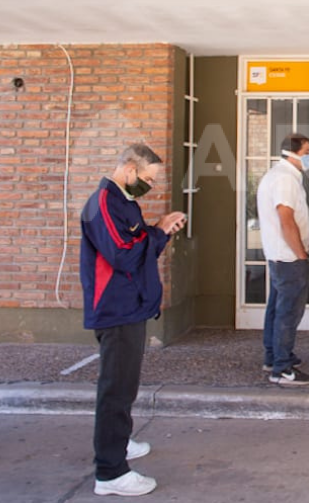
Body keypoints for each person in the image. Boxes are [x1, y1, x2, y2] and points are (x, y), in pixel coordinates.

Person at [80, 144, 186, 497]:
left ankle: (118, 443)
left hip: (130, 306)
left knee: (123, 386)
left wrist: (160, 230)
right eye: (147, 179)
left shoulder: (124, 203)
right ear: (128, 168)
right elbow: (124, 255)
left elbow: (138, 246)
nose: (150, 186)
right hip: (116, 309)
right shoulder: (103, 204)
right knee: (116, 389)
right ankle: (110, 472)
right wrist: (156, 231)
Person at [257, 133, 309, 386]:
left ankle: (275, 357)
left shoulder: (280, 176)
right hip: (289, 256)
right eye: (307, 151)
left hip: (279, 255)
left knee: (277, 307)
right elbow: (286, 218)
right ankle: (282, 368)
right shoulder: (284, 180)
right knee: (288, 312)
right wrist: (302, 255)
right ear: (293, 153)